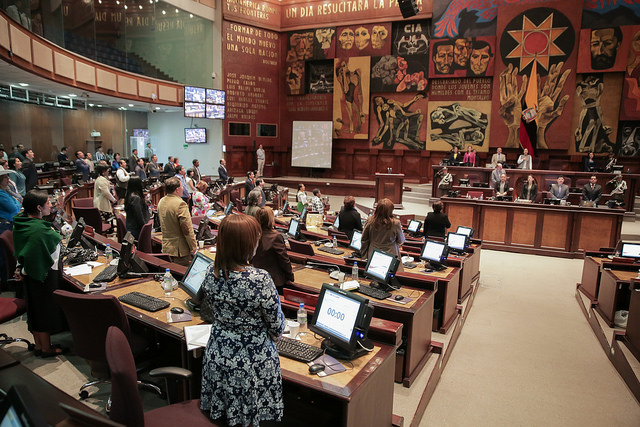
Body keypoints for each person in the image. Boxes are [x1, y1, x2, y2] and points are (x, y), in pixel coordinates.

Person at [200, 213, 285, 426]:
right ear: (247, 244)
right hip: (252, 364)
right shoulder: (260, 279)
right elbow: (276, 326)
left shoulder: (211, 272)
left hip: (218, 354)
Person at [13, 190, 67, 357]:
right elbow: (52, 250)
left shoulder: (22, 222)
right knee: (43, 312)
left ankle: (39, 345)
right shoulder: (40, 230)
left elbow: (23, 249)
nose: (50, 205)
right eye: (48, 203)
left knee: (35, 311)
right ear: (38, 207)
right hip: (41, 275)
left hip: (27, 273)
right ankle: (46, 348)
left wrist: (20, 268)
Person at [252, 207, 294, 296]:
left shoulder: (253, 234)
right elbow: (284, 260)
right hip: (274, 282)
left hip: (256, 278)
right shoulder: (275, 237)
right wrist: (290, 276)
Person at [157, 177, 197, 266]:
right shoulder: (180, 204)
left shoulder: (161, 201)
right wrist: (193, 246)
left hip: (166, 248)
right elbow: (186, 229)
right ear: (177, 189)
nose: (183, 188)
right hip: (180, 250)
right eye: (182, 186)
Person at [361, 198, 405, 270]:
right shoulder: (395, 223)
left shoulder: (370, 220)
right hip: (391, 255)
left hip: (373, 254)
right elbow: (401, 240)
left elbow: (364, 240)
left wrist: (364, 256)